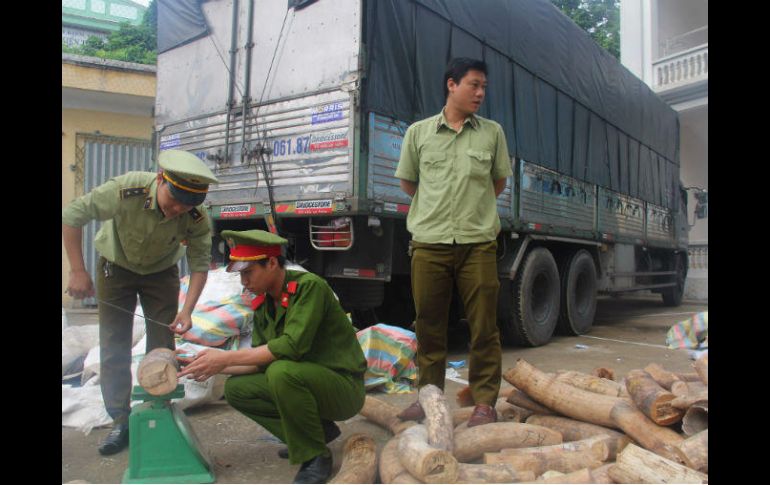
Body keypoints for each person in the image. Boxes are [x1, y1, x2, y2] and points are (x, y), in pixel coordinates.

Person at [177, 229, 366, 484]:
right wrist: (211, 365)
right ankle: (314, 434)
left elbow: (289, 347)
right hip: (307, 382)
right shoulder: (264, 304)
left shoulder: (309, 288)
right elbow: (258, 361)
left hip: (343, 388)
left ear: (273, 262)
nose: (243, 281)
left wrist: (225, 359)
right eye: (241, 274)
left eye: (248, 272)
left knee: (281, 371)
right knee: (237, 390)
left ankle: (316, 455)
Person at [62, 149, 218, 455]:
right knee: (114, 343)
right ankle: (121, 419)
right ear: (161, 180)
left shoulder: (196, 217)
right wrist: (77, 270)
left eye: (186, 207)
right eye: (173, 201)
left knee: (163, 345)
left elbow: (200, 264)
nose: (177, 211)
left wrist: (187, 311)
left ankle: (158, 410)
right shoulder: (125, 189)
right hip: (115, 268)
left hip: (161, 274)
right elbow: (71, 217)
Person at [394, 57, 513, 427]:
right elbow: (410, 184)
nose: (480, 93)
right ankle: (428, 396)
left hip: (478, 244)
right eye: (473, 85)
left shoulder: (492, 133)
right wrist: (438, 213)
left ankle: (483, 403)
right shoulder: (419, 133)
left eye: (483, 87)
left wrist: (471, 212)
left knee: (483, 326)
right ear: (451, 85)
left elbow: (497, 183)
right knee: (428, 324)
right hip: (429, 243)